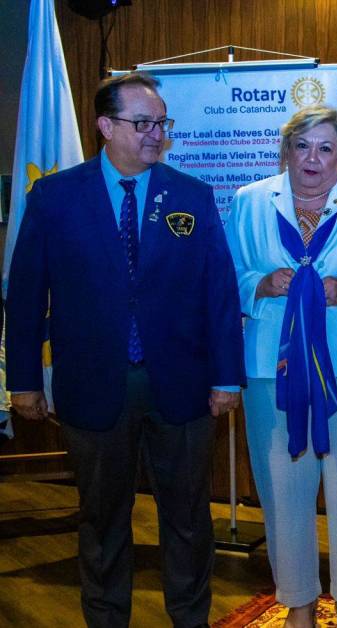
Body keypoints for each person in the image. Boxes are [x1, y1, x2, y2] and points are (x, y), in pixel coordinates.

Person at [5, 72, 244, 628]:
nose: (156, 133)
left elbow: (219, 292)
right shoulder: (55, 197)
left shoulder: (191, 195)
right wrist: (23, 379)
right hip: (93, 386)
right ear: (105, 126)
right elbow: (25, 295)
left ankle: (191, 618)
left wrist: (227, 376)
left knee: (188, 519)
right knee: (102, 518)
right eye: (143, 123)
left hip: (182, 387)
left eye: (161, 123)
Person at [225, 105, 337, 628]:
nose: (313, 158)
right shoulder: (250, 200)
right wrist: (261, 284)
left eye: (326, 148)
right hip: (273, 368)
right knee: (284, 489)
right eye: (302, 145)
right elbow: (226, 273)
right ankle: (298, 604)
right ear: (285, 151)